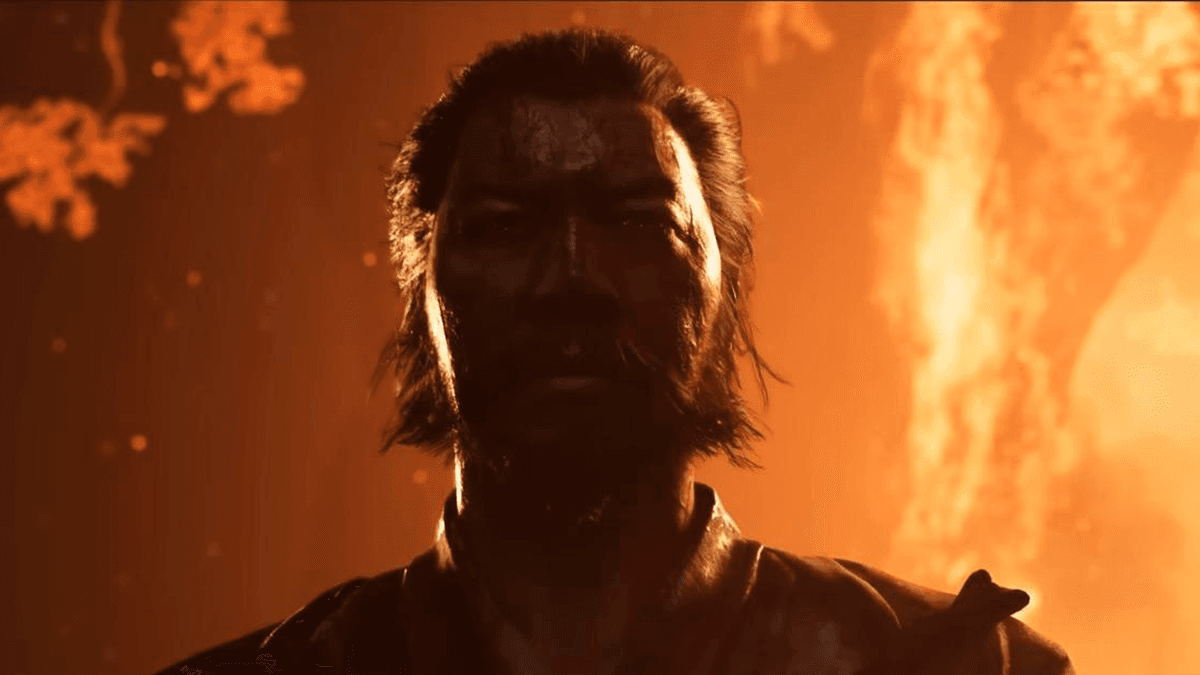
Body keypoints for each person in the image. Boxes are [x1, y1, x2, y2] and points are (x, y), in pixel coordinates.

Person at [156, 28, 1074, 675]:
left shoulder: (955, 665)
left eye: (637, 222)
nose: (571, 278)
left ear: (723, 289)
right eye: (505, 224)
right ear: (422, 293)